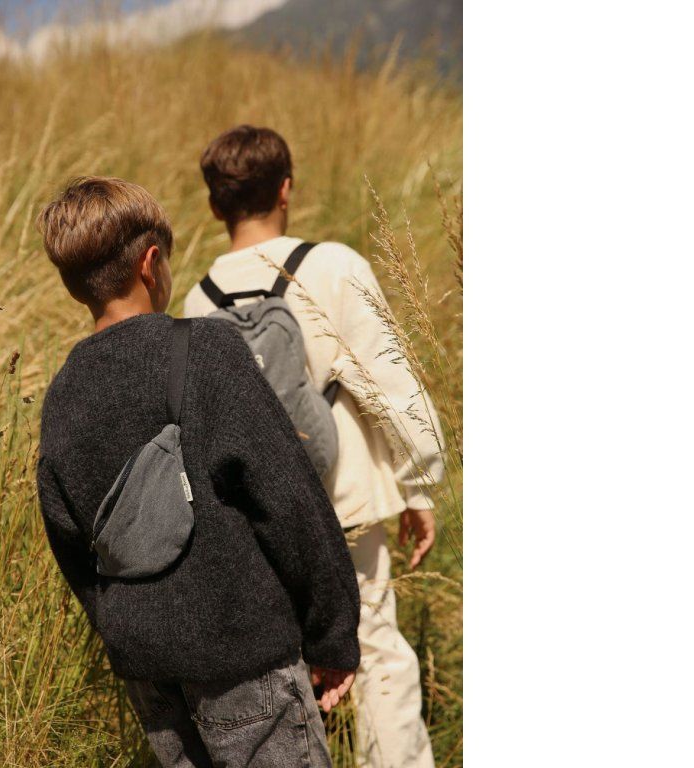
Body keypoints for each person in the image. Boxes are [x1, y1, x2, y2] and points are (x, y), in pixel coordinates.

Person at [36, 176, 361, 767]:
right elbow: (288, 497)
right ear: (150, 264)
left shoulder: (63, 393)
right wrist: (333, 632)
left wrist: (124, 625)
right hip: (243, 656)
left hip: (149, 673)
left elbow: (69, 541)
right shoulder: (206, 350)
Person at [184, 126, 445, 768]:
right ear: (286, 189)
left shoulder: (196, 299)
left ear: (215, 205)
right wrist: (418, 483)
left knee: (286, 663)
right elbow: (389, 383)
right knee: (375, 649)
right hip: (343, 500)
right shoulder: (332, 266)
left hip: (256, 517)